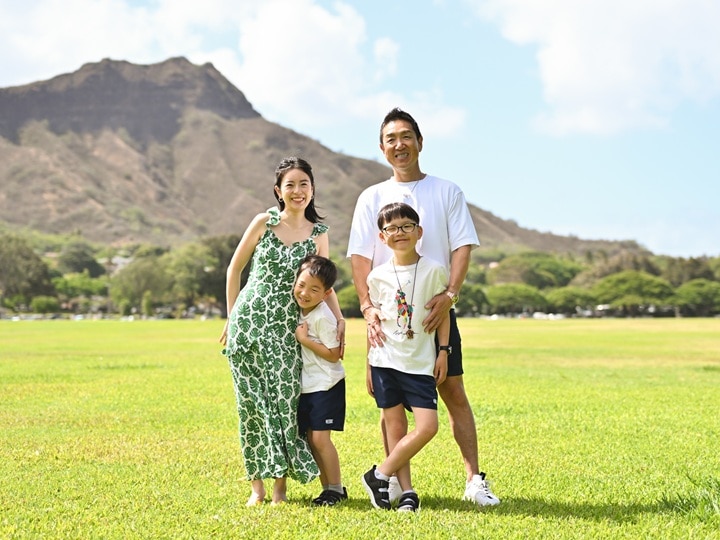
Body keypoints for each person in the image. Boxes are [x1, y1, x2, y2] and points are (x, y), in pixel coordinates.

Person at [348, 107, 500, 506]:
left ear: (419, 141)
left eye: (406, 137)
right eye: (391, 139)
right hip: (388, 318)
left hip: (435, 313)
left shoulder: (446, 191)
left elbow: (462, 246)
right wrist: (367, 308)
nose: (399, 145)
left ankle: (474, 481)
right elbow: (360, 257)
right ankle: (397, 484)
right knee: (391, 406)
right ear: (382, 147)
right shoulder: (371, 197)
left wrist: (450, 295)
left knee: (453, 390)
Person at [220, 156, 346, 506]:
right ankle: (257, 488)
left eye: (304, 184)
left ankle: (280, 488)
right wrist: (231, 317)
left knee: (284, 406)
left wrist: (339, 319)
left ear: (312, 190)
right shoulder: (263, 222)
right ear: (278, 191)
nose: (297, 191)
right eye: (290, 185)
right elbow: (234, 269)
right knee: (251, 406)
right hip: (249, 324)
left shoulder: (319, 234)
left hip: (288, 331)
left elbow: (325, 285)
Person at [360, 202, 450, 512]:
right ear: (382, 237)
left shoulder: (435, 270)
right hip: (384, 360)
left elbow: (442, 313)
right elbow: (373, 325)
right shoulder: (377, 276)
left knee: (428, 427)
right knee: (395, 426)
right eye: (391, 228)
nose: (400, 233)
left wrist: (443, 352)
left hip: (421, 362)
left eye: (406, 226)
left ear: (419, 231)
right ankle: (406, 491)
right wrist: (368, 366)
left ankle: (379, 475)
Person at [293, 254, 348, 507]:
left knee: (320, 439)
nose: (305, 293)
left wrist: (305, 340)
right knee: (312, 439)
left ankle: (335, 488)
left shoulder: (323, 317)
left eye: (314, 290)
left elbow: (335, 354)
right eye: (301, 285)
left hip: (326, 384)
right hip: (310, 384)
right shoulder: (300, 309)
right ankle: (328, 489)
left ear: (326, 294)